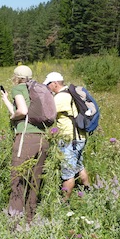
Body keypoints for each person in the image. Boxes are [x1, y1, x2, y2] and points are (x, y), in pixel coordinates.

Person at [0, 65, 49, 223]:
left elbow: (22, 111)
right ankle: (30, 220)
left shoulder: (18, 88)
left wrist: (13, 117)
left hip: (26, 138)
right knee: (35, 179)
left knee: (18, 178)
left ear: (16, 77)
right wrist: (6, 100)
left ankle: (14, 222)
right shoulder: (37, 89)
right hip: (43, 138)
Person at [43, 71, 90, 201]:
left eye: (48, 85)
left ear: (55, 84)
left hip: (70, 140)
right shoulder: (69, 93)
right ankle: (88, 190)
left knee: (67, 173)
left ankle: (64, 202)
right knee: (79, 166)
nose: (47, 88)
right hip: (80, 138)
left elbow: (47, 115)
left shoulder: (60, 97)